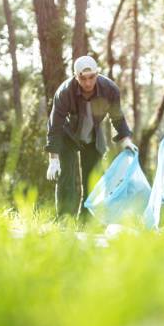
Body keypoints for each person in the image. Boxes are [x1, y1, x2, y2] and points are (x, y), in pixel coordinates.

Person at [45, 55, 138, 218]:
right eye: (83, 78)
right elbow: (55, 126)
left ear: (97, 74)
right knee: (66, 178)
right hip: (68, 136)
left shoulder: (110, 89)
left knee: (93, 180)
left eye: (91, 77)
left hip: (93, 136)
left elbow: (117, 118)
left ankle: (87, 221)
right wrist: (53, 159)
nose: (88, 83)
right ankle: (64, 220)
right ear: (76, 76)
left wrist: (126, 140)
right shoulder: (65, 92)